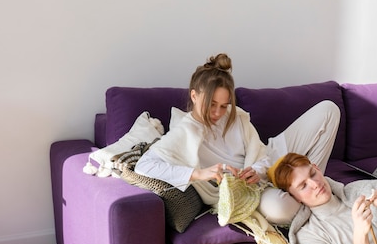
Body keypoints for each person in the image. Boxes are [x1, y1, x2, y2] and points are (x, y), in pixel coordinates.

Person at [135, 53, 340, 224]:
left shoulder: (235, 116)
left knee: (328, 110)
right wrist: (198, 173)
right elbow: (144, 165)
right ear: (194, 96)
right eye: (211, 104)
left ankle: (313, 192)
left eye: (224, 105)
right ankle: (314, 197)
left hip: (270, 160)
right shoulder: (184, 132)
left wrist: (258, 171)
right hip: (251, 191)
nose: (218, 112)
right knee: (281, 209)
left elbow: (261, 154)